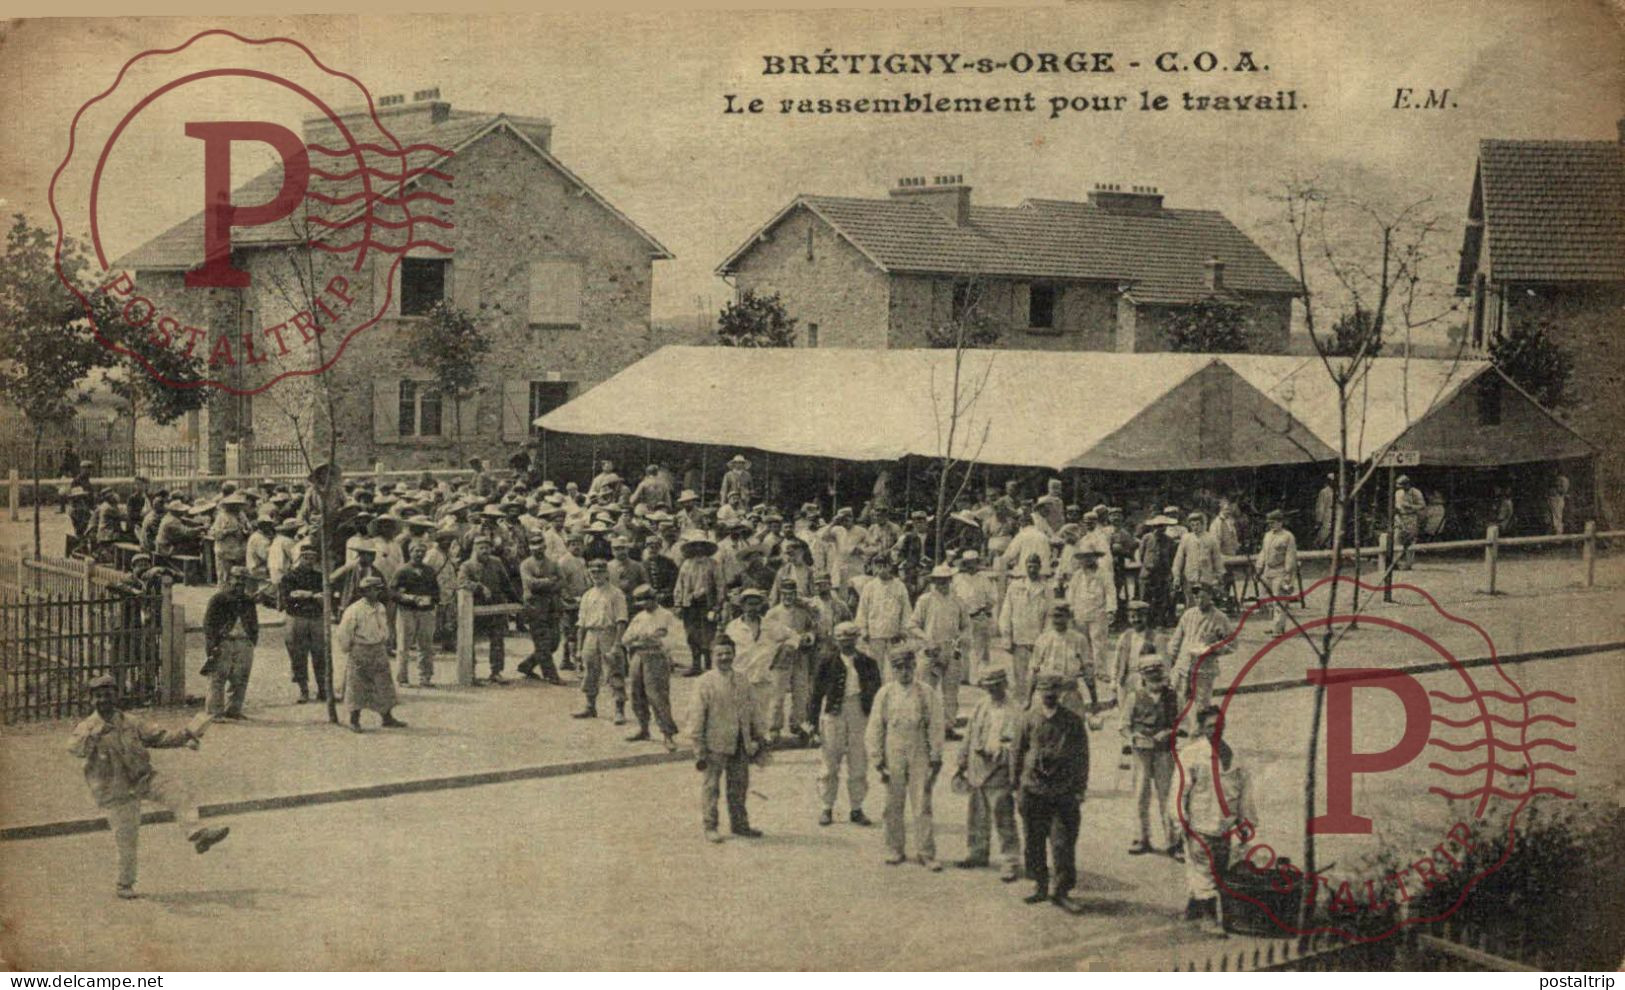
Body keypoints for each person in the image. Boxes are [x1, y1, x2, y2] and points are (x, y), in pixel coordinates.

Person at [69, 674, 229, 900]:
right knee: (127, 838)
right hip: (115, 790)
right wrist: (94, 735)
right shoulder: (86, 727)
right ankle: (124, 884)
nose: (104, 700)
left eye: (108, 694)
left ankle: (197, 833)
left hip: (143, 778)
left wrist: (186, 734)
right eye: (98, 696)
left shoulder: (130, 721)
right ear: (91, 700)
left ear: (116, 696)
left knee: (177, 790)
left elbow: (159, 737)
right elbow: (75, 749)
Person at [1013, 673, 1090, 907]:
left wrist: (1079, 789)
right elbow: (1016, 753)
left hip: (1063, 792)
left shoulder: (1073, 721)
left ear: (1061, 693)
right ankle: (1040, 885)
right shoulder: (1027, 719)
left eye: (1053, 691)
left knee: (1063, 843)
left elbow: (1082, 757)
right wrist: (1016, 785)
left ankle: (1061, 891)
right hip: (1033, 790)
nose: (1049, 695)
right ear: (1037, 692)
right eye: (1044, 691)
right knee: (1034, 841)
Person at [1179, 705, 1256, 935]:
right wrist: (1180, 822)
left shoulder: (1235, 756)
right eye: (1211, 726)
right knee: (1203, 870)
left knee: (1220, 868)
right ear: (1202, 728)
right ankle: (1208, 918)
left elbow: (1245, 791)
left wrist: (1245, 822)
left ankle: (1194, 908)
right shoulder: (1192, 755)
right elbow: (1179, 792)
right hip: (1199, 824)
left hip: (1224, 826)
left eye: (1220, 725)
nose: (1216, 730)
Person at [866, 646, 946, 870]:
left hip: (918, 746)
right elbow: (875, 727)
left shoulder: (926, 692)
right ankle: (894, 848)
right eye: (898, 668)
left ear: (914, 667)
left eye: (908, 667)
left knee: (922, 802)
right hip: (894, 747)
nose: (904, 672)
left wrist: (936, 756)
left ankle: (926, 852)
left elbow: (936, 726)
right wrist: (877, 759)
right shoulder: (885, 693)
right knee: (893, 802)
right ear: (892, 669)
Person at [690, 634, 767, 842]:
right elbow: (697, 716)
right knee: (711, 787)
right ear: (712, 655)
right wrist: (698, 747)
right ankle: (710, 826)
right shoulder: (704, 682)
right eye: (719, 654)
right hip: (715, 743)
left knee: (739, 786)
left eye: (728, 653)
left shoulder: (743, 680)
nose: (724, 657)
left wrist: (758, 736)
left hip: (740, 742)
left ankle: (740, 825)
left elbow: (754, 710)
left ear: (734, 655)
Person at [808, 621, 879, 827]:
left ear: (856, 639)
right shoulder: (826, 661)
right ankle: (826, 807)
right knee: (829, 761)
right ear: (836, 640)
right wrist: (811, 723)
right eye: (841, 640)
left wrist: (877, 723)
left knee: (858, 762)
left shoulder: (868, 662)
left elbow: (877, 693)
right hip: (834, 713)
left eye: (850, 639)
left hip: (859, 711)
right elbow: (815, 694)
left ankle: (856, 808)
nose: (846, 643)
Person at [954, 669, 1021, 881]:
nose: (992, 690)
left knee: (1003, 816)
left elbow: (1016, 743)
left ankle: (1010, 860)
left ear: (1005, 684)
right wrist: (962, 760)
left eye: (996, 685)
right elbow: (969, 734)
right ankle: (977, 852)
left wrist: (1000, 752)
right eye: (988, 686)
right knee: (976, 813)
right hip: (977, 766)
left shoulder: (1015, 710)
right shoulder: (981, 705)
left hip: (999, 769)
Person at [335, 575, 407, 733]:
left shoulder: (380, 607)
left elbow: (384, 627)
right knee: (357, 686)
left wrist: (385, 639)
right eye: (371, 590)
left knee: (383, 683)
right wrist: (349, 648)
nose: (375, 593)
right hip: (361, 649)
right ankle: (354, 720)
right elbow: (343, 632)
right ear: (363, 592)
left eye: (377, 589)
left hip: (378, 649)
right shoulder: (354, 610)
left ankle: (387, 717)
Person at [1125, 658, 1179, 857]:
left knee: (1167, 795)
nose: (1155, 682)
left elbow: (1183, 724)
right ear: (1143, 678)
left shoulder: (1173, 697)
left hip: (1165, 751)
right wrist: (1134, 737)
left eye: (1158, 677)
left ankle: (1174, 840)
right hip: (1142, 752)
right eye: (1150, 677)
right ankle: (1142, 837)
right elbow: (1124, 725)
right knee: (1141, 794)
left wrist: (1169, 732)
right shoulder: (1134, 697)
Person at [622, 584, 683, 750]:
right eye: (640, 602)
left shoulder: (666, 616)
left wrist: (657, 640)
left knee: (657, 696)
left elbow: (675, 639)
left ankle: (667, 734)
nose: (643, 605)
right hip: (638, 656)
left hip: (657, 657)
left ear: (653, 599)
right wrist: (639, 638)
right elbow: (626, 638)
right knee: (636, 694)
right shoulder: (639, 617)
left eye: (646, 601)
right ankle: (643, 728)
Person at [910, 564, 967, 735]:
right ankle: (925, 726)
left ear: (950, 581)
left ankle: (948, 726)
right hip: (930, 650)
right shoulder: (925, 600)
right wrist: (926, 639)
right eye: (938, 581)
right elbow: (912, 625)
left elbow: (966, 626)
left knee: (951, 691)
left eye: (945, 581)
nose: (941, 584)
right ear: (933, 582)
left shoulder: (958, 601)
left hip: (951, 649)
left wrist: (960, 640)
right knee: (926, 689)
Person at [762, 577, 818, 746]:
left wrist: (809, 637)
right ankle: (774, 729)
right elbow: (766, 636)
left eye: (791, 594)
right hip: (780, 658)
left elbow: (811, 628)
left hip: (800, 657)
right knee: (777, 695)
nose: (788, 597)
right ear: (780, 594)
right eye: (785, 594)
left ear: (795, 594)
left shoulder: (802, 612)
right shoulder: (773, 613)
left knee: (801, 693)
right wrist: (782, 643)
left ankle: (799, 725)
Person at [574, 559, 629, 722]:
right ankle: (590, 707)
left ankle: (619, 710)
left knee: (614, 671)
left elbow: (621, 620)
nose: (596, 575)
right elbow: (581, 625)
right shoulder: (587, 595)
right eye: (593, 572)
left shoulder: (616, 593)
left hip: (609, 633)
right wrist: (578, 649)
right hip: (591, 635)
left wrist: (618, 644)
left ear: (607, 573)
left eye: (600, 571)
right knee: (590, 670)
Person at [201, 566, 259, 719]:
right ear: (229, 579)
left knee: (241, 678)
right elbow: (209, 625)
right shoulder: (218, 599)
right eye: (237, 578)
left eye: (243, 579)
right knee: (218, 677)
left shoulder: (248, 601)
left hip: (244, 642)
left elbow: (254, 622)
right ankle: (215, 712)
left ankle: (234, 710)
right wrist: (213, 645)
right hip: (224, 641)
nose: (240, 582)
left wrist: (252, 640)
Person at [458, 535, 517, 684]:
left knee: (497, 640)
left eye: (487, 547)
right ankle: (470, 673)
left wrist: (516, 601)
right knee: (471, 641)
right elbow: (461, 582)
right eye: (481, 548)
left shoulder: (496, 563)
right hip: (475, 608)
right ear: (474, 549)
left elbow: (506, 584)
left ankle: (496, 672)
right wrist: (479, 587)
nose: (485, 550)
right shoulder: (467, 565)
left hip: (495, 607)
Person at [1168, 583, 1234, 713]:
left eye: (1203, 597)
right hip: (1184, 667)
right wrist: (1170, 660)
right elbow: (1176, 641)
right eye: (1196, 597)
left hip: (1204, 669)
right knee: (1179, 704)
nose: (1199, 601)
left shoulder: (1220, 618)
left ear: (1210, 596)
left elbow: (1232, 645)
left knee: (1201, 707)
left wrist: (1213, 647)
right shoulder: (1188, 615)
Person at [998, 554, 1052, 703]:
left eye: (1035, 566)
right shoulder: (1015, 586)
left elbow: (1050, 616)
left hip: (1038, 641)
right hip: (1019, 640)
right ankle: (1021, 708)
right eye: (1029, 566)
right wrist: (1006, 637)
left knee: (1039, 677)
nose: (1032, 569)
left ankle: (1037, 707)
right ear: (1025, 566)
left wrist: (1045, 639)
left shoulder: (1046, 588)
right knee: (1019, 678)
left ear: (1040, 567)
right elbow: (1006, 613)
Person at [279, 544, 329, 703]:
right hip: (297, 618)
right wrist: (311, 596)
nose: (309, 561)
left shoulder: (319, 577)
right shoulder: (290, 577)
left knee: (320, 654)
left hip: (315, 618)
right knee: (298, 655)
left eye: (312, 558)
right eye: (306, 557)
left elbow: (325, 597)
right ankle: (303, 690)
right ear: (300, 558)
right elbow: (287, 599)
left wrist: (306, 596)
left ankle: (322, 689)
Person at [517, 536, 565, 684]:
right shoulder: (526, 564)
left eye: (540, 545)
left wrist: (550, 585)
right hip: (535, 607)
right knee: (543, 642)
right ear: (530, 547)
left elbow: (562, 581)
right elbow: (531, 584)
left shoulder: (552, 563)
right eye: (533, 545)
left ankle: (527, 665)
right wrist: (549, 581)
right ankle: (551, 675)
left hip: (552, 606)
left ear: (545, 546)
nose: (537, 548)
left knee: (554, 642)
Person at [391, 541, 440, 688]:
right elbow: (392, 592)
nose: (419, 554)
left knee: (426, 645)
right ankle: (402, 678)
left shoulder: (429, 571)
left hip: (426, 611)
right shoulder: (402, 571)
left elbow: (436, 591)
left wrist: (430, 599)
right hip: (407, 611)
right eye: (416, 551)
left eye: (422, 551)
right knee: (404, 645)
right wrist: (408, 597)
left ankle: (425, 677)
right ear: (410, 552)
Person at [854, 556, 911, 678]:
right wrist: (863, 630)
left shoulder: (899, 586)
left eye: (885, 566)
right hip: (875, 634)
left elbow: (906, 610)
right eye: (878, 566)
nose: (882, 569)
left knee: (895, 667)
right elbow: (862, 610)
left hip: (894, 635)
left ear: (890, 566)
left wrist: (903, 630)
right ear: (874, 567)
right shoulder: (869, 587)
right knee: (875, 669)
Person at [950, 550, 998, 683]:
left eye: (973, 563)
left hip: (978, 616)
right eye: (967, 563)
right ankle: (964, 677)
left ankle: (980, 678)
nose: (970, 566)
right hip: (962, 618)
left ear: (977, 563)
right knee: (963, 648)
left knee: (980, 649)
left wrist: (984, 611)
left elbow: (992, 599)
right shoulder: (957, 579)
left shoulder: (983, 579)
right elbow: (952, 597)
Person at [1065, 549, 1113, 678]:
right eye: (1084, 558)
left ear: (1095, 558)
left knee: (1098, 642)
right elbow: (1071, 592)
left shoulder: (1104, 574)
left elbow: (1110, 592)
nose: (1087, 561)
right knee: (1081, 641)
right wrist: (1070, 607)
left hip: (1098, 612)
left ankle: (1101, 670)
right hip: (1080, 612)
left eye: (1090, 557)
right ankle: (1083, 667)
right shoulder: (1078, 575)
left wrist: (1110, 610)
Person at [1253, 509, 1299, 636]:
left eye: (1274, 522)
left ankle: (1278, 628)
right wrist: (1258, 568)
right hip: (1268, 570)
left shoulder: (1288, 536)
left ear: (1281, 522)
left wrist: (1288, 574)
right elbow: (1263, 552)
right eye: (1269, 523)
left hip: (1280, 570)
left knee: (1279, 600)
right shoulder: (1267, 535)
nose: (1271, 525)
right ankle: (1274, 625)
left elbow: (1290, 556)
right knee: (1266, 599)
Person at [1172, 511, 1225, 610]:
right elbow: (1179, 559)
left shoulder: (1211, 538)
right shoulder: (1186, 538)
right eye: (1192, 525)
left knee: (1205, 603)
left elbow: (1217, 559)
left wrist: (1218, 575)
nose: (1195, 527)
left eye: (1197, 524)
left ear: (1203, 524)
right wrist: (1176, 575)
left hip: (1206, 577)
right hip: (1190, 577)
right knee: (1190, 603)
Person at [208, 493, 254, 587]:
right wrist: (228, 532)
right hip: (225, 551)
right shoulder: (222, 517)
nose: (236, 507)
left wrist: (246, 530)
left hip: (240, 551)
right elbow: (214, 533)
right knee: (225, 577)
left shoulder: (242, 515)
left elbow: (248, 528)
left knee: (239, 577)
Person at [1392, 475, 1427, 570]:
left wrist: (1410, 506)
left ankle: (1409, 564)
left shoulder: (1415, 492)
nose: (1401, 488)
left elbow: (1422, 506)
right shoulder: (1398, 493)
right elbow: (1396, 505)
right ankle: (1395, 563)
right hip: (1399, 517)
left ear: (1407, 484)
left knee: (1410, 541)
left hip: (1411, 517)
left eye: (1402, 485)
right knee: (1397, 539)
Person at [1314, 473, 1336, 548]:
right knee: (1323, 536)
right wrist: (1319, 520)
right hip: (1326, 518)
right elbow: (1321, 506)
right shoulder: (1324, 492)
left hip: (1334, 517)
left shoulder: (1336, 491)